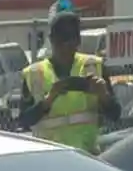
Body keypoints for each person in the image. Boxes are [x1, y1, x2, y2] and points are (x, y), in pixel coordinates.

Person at [19, 10, 118, 154]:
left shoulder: (94, 66)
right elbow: (24, 121)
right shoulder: (34, 74)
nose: (66, 48)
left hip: (87, 156)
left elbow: (115, 114)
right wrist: (48, 100)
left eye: (72, 42)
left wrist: (104, 96)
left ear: (78, 41)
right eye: (62, 42)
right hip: (50, 158)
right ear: (52, 41)